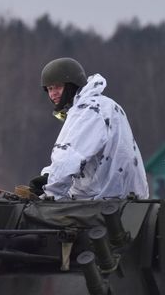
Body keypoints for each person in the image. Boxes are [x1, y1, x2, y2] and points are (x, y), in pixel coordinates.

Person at [30, 57, 148, 201]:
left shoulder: (90, 110)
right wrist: (48, 176)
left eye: (58, 87)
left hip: (107, 202)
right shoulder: (99, 105)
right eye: (49, 89)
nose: (53, 94)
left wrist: (49, 192)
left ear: (72, 85)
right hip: (116, 197)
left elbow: (69, 156)